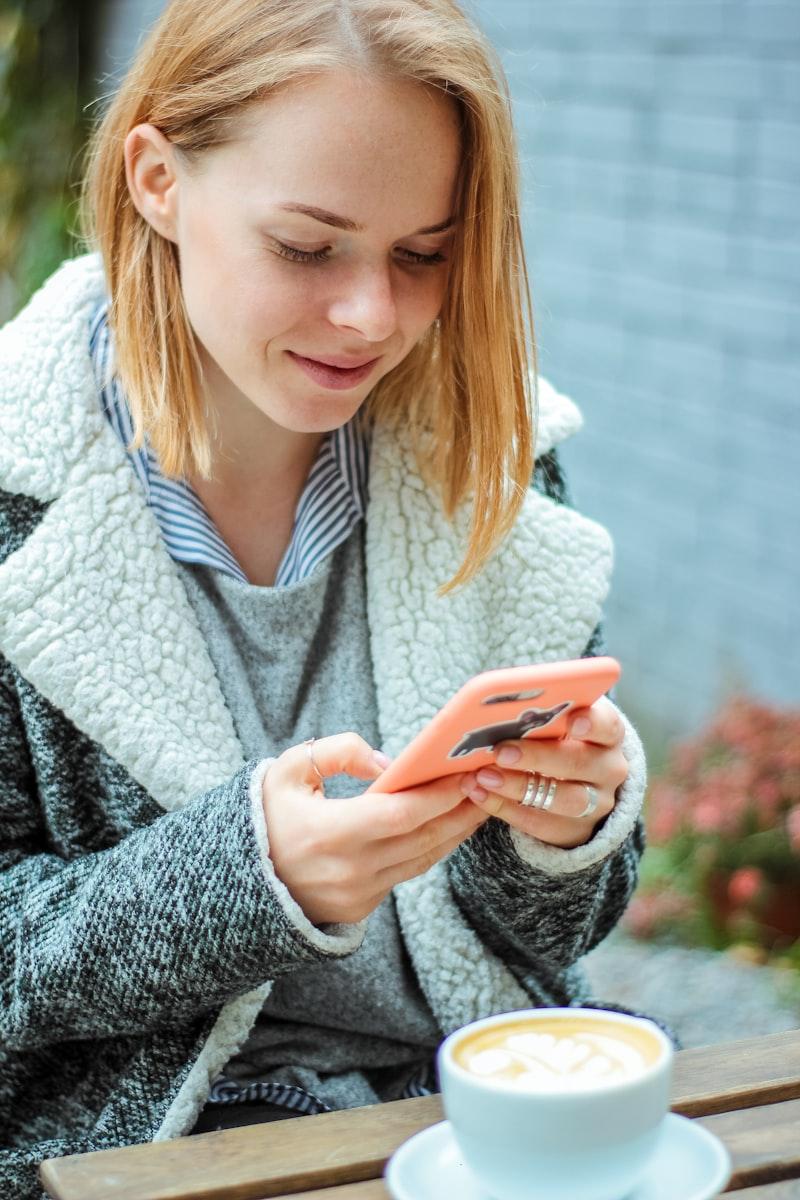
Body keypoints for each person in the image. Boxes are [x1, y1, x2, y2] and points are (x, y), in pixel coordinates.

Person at [0, 0, 647, 1193]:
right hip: (154, 1151)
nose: (373, 318)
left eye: (423, 254)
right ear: (155, 181)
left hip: (472, 1113)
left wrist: (559, 841)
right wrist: (244, 884)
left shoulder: (496, 462)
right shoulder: (11, 500)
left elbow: (562, 936)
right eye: (307, 247)